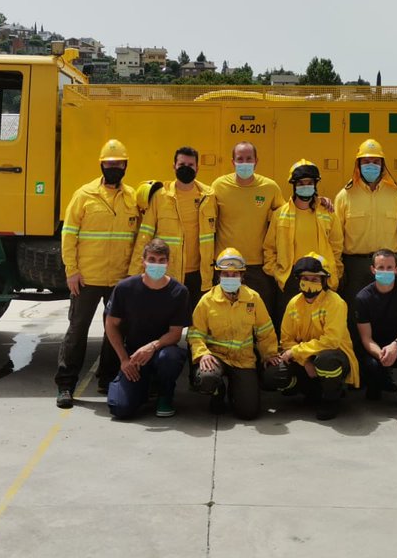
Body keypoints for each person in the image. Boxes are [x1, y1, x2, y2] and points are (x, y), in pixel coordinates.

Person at [56, 139, 139, 409]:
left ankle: (106, 379)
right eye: (109, 164)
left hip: (119, 280)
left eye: (118, 164)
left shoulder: (132, 198)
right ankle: (66, 385)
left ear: (125, 166)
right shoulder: (84, 195)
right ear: (101, 165)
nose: (114, 168)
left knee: (114, 331)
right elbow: (68, 236)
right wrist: (72, 272)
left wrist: (132, 276)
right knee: (77, 330)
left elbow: (137, 238)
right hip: (87, 279)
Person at [335, 139, 397, 352]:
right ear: (358, 165)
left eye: (375, 161)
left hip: (387, 266)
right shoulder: (345, 196)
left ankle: (385, 363)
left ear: (383, 164)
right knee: (355, 315)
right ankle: (357, 364)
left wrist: (391, 257)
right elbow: (336, 235)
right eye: (366, 161)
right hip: (356, 266)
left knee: (388, 315)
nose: (371, 165)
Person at [189, 247, 280, 420]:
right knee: (206, 378)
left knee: (249, 412)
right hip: (216, 358)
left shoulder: (253, 299)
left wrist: (269, 354)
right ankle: (217, 391)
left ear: (242, 275)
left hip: (243, 360)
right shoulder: (207, 301)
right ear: (219, 276)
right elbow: (195, 333)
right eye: (226, 274)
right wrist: (202, 354)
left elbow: (265, 330)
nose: (230, 278)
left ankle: (237, 389)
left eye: (234, 274)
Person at [105, 239, 191, 419]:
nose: (156, 264)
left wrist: (152, 347)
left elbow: (175, 334)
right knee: (120, 410)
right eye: (152, 259)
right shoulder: (125, 288)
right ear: (143, 261)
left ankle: (165, 395)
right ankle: (141, 388)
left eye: (161, 260)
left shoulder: (179, 292)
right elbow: (111, 324)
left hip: (162, 351)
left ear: (168, 262)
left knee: (171, 357)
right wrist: (124, 360)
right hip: (133, 356)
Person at [128, 146, 217, 315]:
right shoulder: (160, 197)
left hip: (199, 274)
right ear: (174, 166)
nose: (186, 168)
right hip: (168, 272)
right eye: (181, 164)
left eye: (190, 165)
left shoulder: (209, 196)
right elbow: (145, 235)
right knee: (164, 320)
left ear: (197, 168)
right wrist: (135, 272)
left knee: (197, 325)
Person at [273, 253, 359, 420]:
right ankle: (310, 391)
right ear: (299, 280)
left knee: (325, 361)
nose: (309, 283)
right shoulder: (294, 303)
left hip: (334, 355)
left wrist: (297, 352)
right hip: (304, 359)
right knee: (272, 373)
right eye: (305, 278)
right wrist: (305, 361)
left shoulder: (336, 303)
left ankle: (330, 399)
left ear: (324, 281)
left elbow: (331, 341)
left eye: (315, 279)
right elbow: (286, 340)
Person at [211, 142, 286, 326]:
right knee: (224, 316)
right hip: (225, 267)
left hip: (258, 266)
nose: (244, 163)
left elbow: (287, 215)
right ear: (233, 162)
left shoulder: (270, 187)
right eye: (240, 159)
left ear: (256, 161)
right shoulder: (219, 186)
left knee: (260, 317)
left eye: (248, 159)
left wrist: (318, 201)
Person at [263, 159, 344, 327]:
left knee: (320, 323)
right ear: (294, 185)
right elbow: (269, 248)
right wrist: (277, 273)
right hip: (290, 278)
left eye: (309, 183)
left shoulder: (328, 213)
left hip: (320, 276)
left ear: (315, 184)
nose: (305, 186)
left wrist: (335, 271)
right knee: (289, 324)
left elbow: (337, 247)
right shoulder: (280, 214)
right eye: (301, 183)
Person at [355, 248, 397, 412]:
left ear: (396, 269)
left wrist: (395, 346)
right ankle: (377, 381)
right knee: (372, 372)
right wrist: (381, 355)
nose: (385, 271)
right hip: (376, 347)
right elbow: (366, 338)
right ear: (373, 270)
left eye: (389, 267)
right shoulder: (363, 297)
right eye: (380, 268)